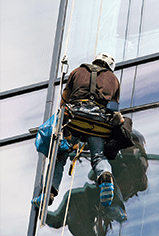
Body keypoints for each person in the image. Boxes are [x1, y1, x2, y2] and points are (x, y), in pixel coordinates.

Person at [33, 52, 122, 209]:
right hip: (98, 123)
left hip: (74, 119)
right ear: (110, 66)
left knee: (60, 156)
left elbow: (64, 100)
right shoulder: (114, 80)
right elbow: (113, 107)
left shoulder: (77, 71)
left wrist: (61, 121)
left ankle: (50, 193)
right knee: (98, 156)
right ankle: (105, 176)